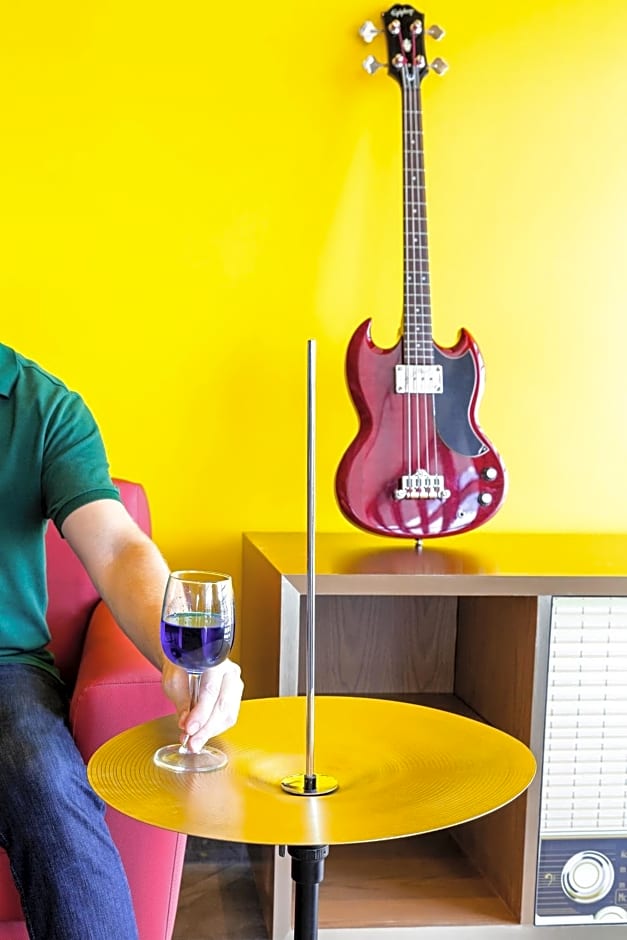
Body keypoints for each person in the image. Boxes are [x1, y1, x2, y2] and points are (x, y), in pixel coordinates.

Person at [0, 340, 244, 939]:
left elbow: (115, 547)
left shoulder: (41, 406)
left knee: (46, 780)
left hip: (5, 672)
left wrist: (174, 649)